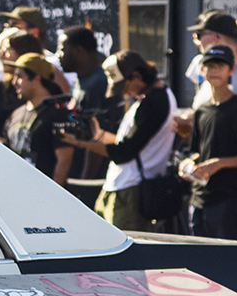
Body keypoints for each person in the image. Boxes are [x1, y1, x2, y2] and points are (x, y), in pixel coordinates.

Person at [73, 51, 175, 232]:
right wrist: (98, 135)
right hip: (121, 186)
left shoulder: (155, 102)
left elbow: (124, 152)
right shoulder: (149, 99)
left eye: (123, 86)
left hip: (130, 190)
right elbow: (128, 143)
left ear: (136, 76)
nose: (124, 93)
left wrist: (80, 143)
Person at [178, 45, 237, 239]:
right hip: (199, 197)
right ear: (202, 70)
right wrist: (187, 163)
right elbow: (196, 150)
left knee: (225, 259)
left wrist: (219, 163)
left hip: (228, 197)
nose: (214, 71)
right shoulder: (201, 110)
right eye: (209, 66)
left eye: (220, 66)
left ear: (232, 70)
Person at [2, 53, 74, 185]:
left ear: (36, 79)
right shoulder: (15, 114)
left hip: (43, 196)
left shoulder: (57, 114)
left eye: (19, 77)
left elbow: (65, 159)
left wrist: (53, 195)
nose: (14, 83)